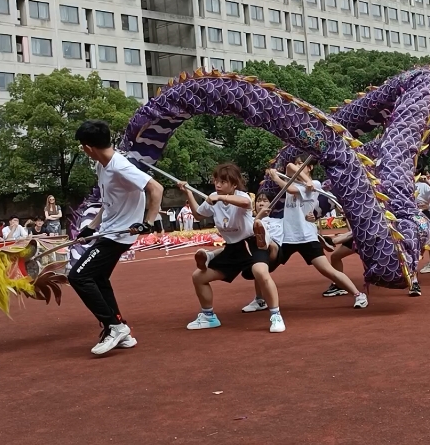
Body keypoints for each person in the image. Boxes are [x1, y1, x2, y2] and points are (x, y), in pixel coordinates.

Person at [71, 119, 164, 355]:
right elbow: (109, 202)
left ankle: (114, 326)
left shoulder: (120, 166)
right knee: (99, 279)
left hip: (119, 235)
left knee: (79, 276)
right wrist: (92, 226)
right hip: (108, 231)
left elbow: (156, 189)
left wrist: (148, 223)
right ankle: (121, 330)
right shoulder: (102, 166)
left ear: (88, 148)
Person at [182, 163, 284, 333]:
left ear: (234, 184)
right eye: (216, 181)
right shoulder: (213, 198)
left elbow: (245, 203)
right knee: (198, 277)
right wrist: (189, 193)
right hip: (232, 248)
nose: (218, 185)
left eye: (223, 181)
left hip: (251, 243)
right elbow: (199, 215)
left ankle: (275, 315)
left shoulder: (240, 196)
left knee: (260, 272)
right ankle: (208, 316)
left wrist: (220, 198)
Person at [266, 163, 367, 308]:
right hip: (288, 237)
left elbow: (291, 190)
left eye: (302, 164)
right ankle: (259, 299)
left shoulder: (314, 184)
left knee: (327, 270)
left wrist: (276, 178)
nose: (298, 167)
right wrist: (297, 174)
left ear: (310, 168)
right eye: (298, 163)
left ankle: (358, 295)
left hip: (306, 236)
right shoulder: (295, 180)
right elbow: (289, 166)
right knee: (264, 267)